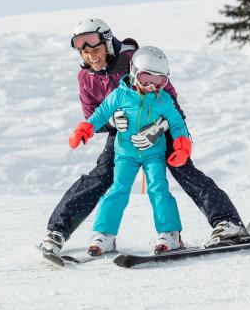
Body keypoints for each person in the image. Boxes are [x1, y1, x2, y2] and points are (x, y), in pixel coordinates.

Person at [38, 18, 250, 257]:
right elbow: (93, 116)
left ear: (108, 44)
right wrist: (113, 121)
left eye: (96, 49)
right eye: (84, 52)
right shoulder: (87, 78)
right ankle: (58, 231)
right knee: (103, 174)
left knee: (182, 169)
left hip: (161, 124)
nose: (92, 57)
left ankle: (227, 223)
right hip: (125, 133)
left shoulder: (138, 60)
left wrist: (160, 127)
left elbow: (170, 101)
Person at [68, 46, 192, 255]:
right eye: (145, 78)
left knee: (158, 189)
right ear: (134, 72)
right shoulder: (119, 95)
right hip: (125, 154)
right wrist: (85, 129)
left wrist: (182, 146)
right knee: (118, 190)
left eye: (159, 80)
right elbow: (99, 115)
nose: (151, 86)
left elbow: (178, 125)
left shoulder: (164, 100)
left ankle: (170, 233)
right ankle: (105, 234)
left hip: (154, 154)